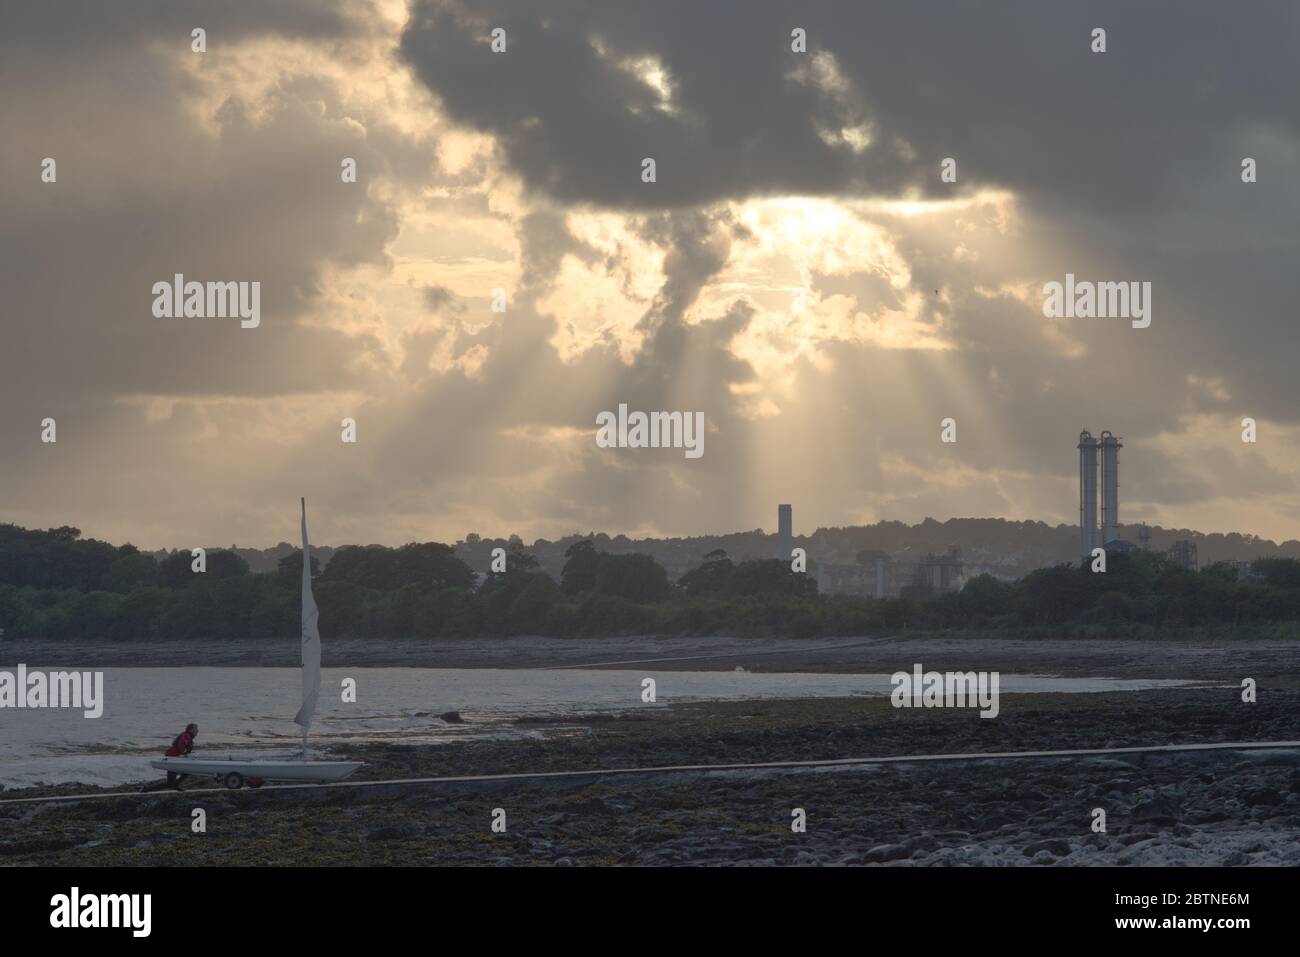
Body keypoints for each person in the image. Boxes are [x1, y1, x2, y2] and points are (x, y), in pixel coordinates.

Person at [142, 722, 198, 792]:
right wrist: (184, 754)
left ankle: (176, 785)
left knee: (187, 771)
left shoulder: (188, 736)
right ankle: (146, 789)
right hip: (173, 759)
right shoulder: (186, 736)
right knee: (170, 783)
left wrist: (186, 754)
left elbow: (184, 748)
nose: (197, 731)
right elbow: (181, 747)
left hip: (176, 759)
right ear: (191, 730)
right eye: (196, 729)